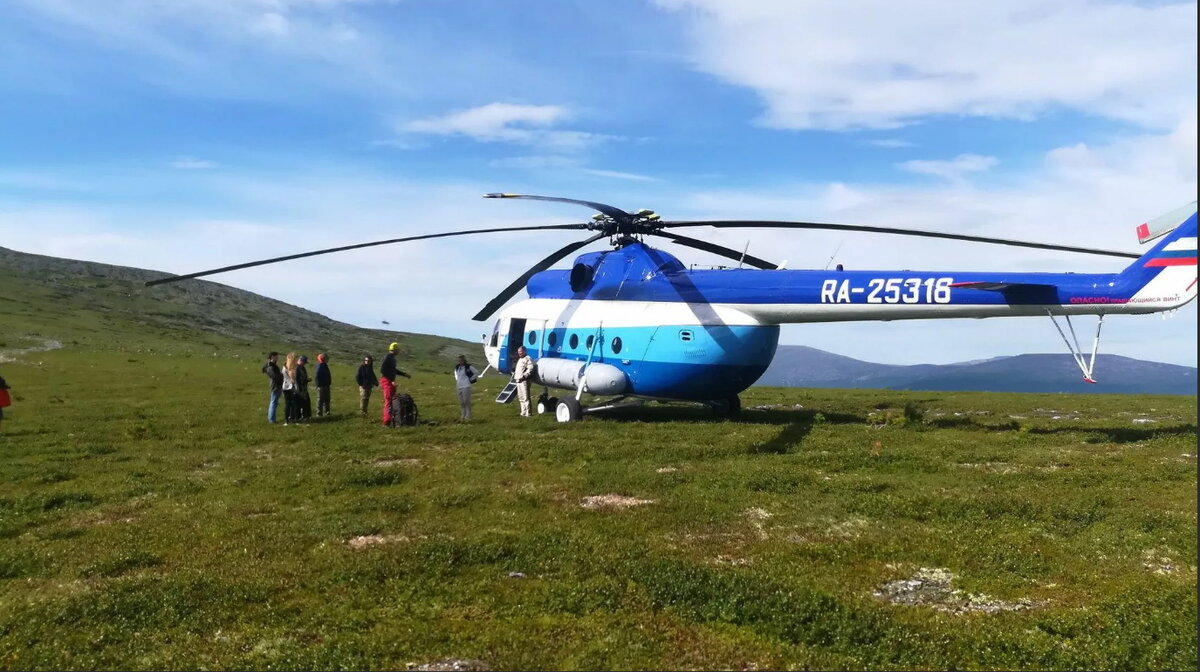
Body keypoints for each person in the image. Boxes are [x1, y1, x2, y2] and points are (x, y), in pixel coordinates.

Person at [379, 342, 411, 426]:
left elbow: (393, 370)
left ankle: (393, 419)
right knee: (388, 401)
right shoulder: (388, 358)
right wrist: (390, 380)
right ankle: (386, 422)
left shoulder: (391, 358)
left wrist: (404, 374)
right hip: (387, 381)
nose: (399, 352)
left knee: (392, 400)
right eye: (398, 350)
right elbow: (383, 370)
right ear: (395, 350)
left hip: (390, 381)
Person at [452, 354, 479, 421]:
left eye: (461, 360)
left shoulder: (468, 367)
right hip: (459, 386)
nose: (460, 362)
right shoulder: (457, 367)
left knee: (466, 401)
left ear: (464, 360)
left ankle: (468, 415)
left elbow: (476, 372)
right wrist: (457, 380)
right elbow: (456, 375)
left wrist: (471, 379)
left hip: (466, 385)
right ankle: (462, 415)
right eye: (459, 360)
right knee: (461, 402)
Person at [513, 346, 535, 417]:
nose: (519, 353)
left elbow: (530, 368)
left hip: (524, 381)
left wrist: (524, 376)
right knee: (521, 397)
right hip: (518, 380)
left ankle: (528, 413)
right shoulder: (520, 359)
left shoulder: (527, 358)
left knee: (526, 397)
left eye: (521, 351)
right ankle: (523, 412)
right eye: (519, 352)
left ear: (524, 351)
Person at [262, 351, 283, 423]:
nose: (278, 358)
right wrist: (281, 377)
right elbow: (274, 376)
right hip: (275, 385)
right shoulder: (270, 367)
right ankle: (271, 419)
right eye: (276, 357)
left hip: (276, 385)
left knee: (274, 402)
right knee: (273, 402)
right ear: (272, 357)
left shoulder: (273, 365)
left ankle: (272, 418)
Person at [281, 352, 298, 425]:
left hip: (286, 387)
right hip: (289, 388)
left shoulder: (285, 367)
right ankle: (287, 419)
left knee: (290, 404)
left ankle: (290, 418)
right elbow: (293, 379)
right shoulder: (290, 369)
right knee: (289, 404)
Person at [295, 355, 312, 422]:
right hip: (299, 388)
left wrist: (306, 380)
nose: (304, 364)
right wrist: (306, 380)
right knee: (302, 403)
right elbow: (297, 379)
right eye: (304, 362)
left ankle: (306, 416)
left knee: (307, 402)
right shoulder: (296, 368)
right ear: (301, 361)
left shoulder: (303, 368)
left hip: (304, 388)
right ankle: (302, 416)